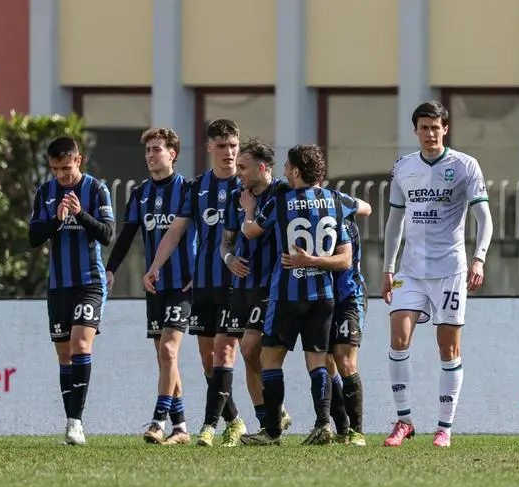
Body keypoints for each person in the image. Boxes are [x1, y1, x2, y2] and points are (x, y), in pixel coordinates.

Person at [239, 144, 370, 446]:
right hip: (323, 295)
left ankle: (272, 431)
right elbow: (365, 208)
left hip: (288, 294)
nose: (283, 171)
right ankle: (324, 424)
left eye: (287, 166)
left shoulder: (280, 201)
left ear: (296, 171)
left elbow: (251, 231)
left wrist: (248, 212)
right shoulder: (336, 200)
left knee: (270, 358)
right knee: (319, 362)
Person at [381, 100, 494, 448]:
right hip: (411, 271)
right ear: (415, 131)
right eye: (423, 128)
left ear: (446, 129)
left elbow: (484, 218)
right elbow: (394, 222)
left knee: (448, 349)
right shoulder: (403, 167)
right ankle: (404, 421)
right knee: (398, 339)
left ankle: (444, 427)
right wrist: (388, 267)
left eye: (436, 127)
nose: (430, 133)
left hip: (450, 270)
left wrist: (479, 259)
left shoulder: (465, 166)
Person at [143, 119, 246, 447]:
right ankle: (236, 420)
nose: (229, 152)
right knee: (207, 358)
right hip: (203, 284)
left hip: (238, 283)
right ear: (210, 148)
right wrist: (155, 266)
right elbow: (175, 231)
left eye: (233, 146)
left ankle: (208, 426)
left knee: (226, 351)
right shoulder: (197, 186)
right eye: (222, 146)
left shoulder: (248, 186)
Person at [106, 128, 194, 445]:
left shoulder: (188, 190)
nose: (151, 155)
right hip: (154, 283)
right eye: (148, 150)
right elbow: (127, 235)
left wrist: (199, 271)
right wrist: (110, 269)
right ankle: (181, 427)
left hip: (181, 284)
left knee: (169, 350)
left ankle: (158, 422)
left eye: (157, 149)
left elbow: (207, 235)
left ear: (173, 154)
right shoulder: (140, 193)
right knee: (164, 358)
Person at [28, 136, 114, 445]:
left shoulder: (96, 189)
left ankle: (76, 422)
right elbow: (34, 237)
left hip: (89, 281)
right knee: (64, 356)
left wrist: (80, 214)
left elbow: (106, 235)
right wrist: (57, 219)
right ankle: (71, 421)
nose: (61, 175)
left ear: (78, 160)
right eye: (55, 169)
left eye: (66, 168)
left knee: (80, 345)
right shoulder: (46, 193)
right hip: (58, 286)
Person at [221, 138, 292, 436]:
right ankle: (268, 421)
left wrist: (249, 210)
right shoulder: (237, 195)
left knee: (252, 348)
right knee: (246, 352)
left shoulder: (282, 194)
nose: (238, 172)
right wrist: (228, 259)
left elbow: (252, 231)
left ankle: (276, 411)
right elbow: (227, 240)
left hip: (270, 284)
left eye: (243, 167)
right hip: (242, 284)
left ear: (262, 168)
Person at [328, 213, 369, 446]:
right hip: (321, 296)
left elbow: (366, 207)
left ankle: (357, 431)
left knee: (345, 360)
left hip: (349, 295)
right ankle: (341, 427)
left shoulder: (341, 217)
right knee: (324, 361)